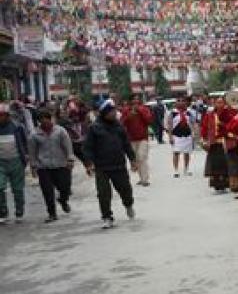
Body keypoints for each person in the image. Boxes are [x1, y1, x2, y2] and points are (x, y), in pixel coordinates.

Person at [82, 100, 138, 229]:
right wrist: (89, 163)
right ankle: (107, 217)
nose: (114, 113)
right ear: (104, 113)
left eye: (115, 111)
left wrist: (132, 160)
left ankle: (128, 205)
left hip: (118, 165)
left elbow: (126, 145)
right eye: (111, 111)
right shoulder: (94, 128)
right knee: (103, 193)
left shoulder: (119, 127)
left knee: (125, 190)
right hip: (101, 167)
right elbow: (88, 147)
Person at [27, 109, 75, 223]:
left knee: (65, 188)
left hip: (61, 164)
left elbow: (68, 146)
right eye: (42, 121)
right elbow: (32, 152)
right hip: (44, 167)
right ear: (39, 122)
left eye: (46, 120)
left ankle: (63, 200)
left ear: (50, 119)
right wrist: (33, 166)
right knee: (47, 191)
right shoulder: (34, 135)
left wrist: (70, 159)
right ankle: (52, 213)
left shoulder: (60, 131)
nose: (45, 123)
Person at [0, 102, 29, 224]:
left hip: (16, 161)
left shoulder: (18, 127)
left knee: (17, 189)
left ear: (7, 115)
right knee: (0, 188)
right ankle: (2, 212)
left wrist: (27, 157)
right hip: (1, 163)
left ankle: (19, 211)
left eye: (2, 115)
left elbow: (25, 143)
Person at [120, 94, 154, 186]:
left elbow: (149, 121)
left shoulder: (144, 109)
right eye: (134, 99)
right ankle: (141, 177)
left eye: (137, 99)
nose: (136, 101)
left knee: (141, 157)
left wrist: (140, 111)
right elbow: (122, 123)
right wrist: (129, 116)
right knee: (135, 159)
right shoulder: (126, 110)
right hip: (131, 139)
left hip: (143, 138)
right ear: (130, 101)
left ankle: (145, 179)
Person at [200, 97, 230, 193]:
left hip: (225, 141)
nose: (220, 104)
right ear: (214, 104)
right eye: (218, 102)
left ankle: (226, 184)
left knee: (225, 164)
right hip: (213, 142)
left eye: (221, 102)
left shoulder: (228, 114)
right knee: (215, 165)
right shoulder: (210, 115)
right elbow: (204, 127)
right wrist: (204, 139)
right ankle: (216, 185)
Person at [165, 99, 197, 177]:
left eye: (182, 101)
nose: (181, 102)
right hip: (176, 136)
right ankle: (176, 170)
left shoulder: (189, 113)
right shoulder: (173, 113)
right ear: (176, 103)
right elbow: (169, 125)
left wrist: (193, 133)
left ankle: (186, 169)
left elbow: (193, 124)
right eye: (178, 101)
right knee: (176, 153)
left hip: (187, 135)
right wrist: (170, 137)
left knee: (186, 153)